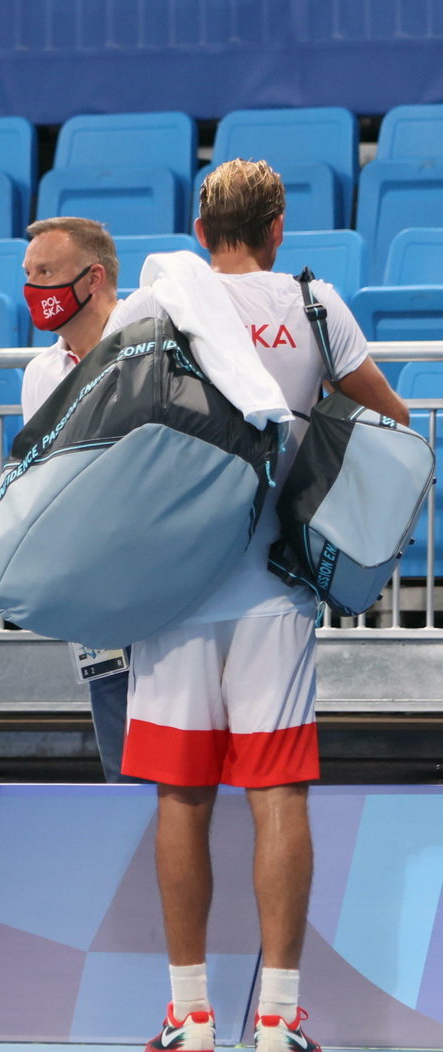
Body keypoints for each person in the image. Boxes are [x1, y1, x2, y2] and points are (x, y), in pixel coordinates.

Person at [107, 160, 408, 1052]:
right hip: (279, 591)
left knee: (182, 795)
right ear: (279, 228)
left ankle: (191, 1016)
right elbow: (390, 427)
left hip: (175, 591)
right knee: (279, 794)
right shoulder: (318, 308)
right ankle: (276, 1020)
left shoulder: (155, 306)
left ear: (201, 231)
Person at [21, 216, 132, 783]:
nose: (32, 288)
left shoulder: (153, 350)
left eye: (45, 273)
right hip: (92, 592)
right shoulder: (40, 373)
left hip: (165, 582)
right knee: (121, 763)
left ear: (92, 278)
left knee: (189, 765)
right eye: (28, 274)